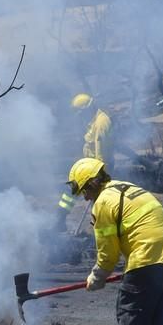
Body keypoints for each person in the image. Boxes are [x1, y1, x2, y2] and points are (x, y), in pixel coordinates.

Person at [66, 157, 163, 325]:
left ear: (91, 183)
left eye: (83, 191)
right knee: (160, 320)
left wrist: (97, 277)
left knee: (131, 314)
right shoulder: (129, 188)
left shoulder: (104, 202)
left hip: (146, 257)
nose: (85, 198)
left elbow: (108, 255)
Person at [55, 93, 114, 232]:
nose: (79, 116)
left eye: (79, 113)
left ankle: (103, 233)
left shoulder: (101, 123)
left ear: (86, 109)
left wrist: (98, 177)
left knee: (99, 203)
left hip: (96, 171)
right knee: (71, 190)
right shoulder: (93, 121)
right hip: (89, 169)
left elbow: (101, 150)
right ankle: (60, 219)